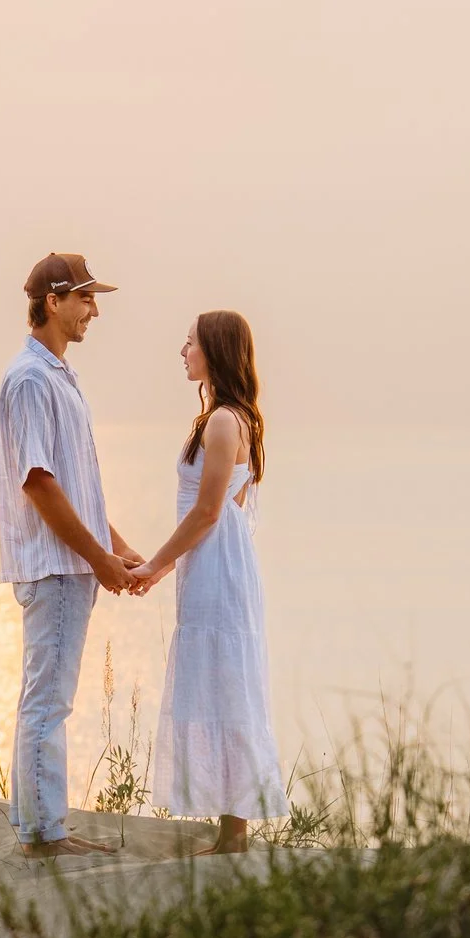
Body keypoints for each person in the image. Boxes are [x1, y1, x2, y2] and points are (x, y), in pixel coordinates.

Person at [0, 252, 145, 858]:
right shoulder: (31, 379)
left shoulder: (56, 373)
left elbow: (72, 482)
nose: (94, 309)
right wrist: (99, 560)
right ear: (52, 302)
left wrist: (116, 546)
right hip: (55, 567)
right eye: (84, 298)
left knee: (50, 698)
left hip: (71, 564)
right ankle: (43, 836)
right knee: (47, 702)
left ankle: (39, 825)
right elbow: (39, 482)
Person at [128, 310, 287, 855]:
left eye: (190, 343)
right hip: (217, 564)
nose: (182, 351)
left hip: (218, 565)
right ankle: (229, 830)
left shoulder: (224, 422)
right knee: (220, 682)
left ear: (213, 351)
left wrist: (156, 564)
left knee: (227, 684)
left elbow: (209, 511)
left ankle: (234, 836)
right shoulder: (227, 418)